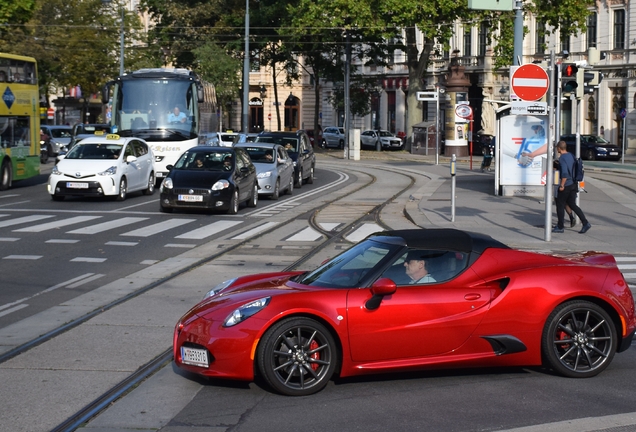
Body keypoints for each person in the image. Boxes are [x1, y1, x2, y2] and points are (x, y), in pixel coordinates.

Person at [553, 141, 591, 234]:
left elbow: (565, 174)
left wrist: (562, 185)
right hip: (574, 184)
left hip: (566, 185)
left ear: (559, 148)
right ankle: (585, 223)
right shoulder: (571, 155)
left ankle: (560, 226)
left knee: (560, 205)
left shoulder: (562, 158)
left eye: (557, 148)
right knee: (572, 204)